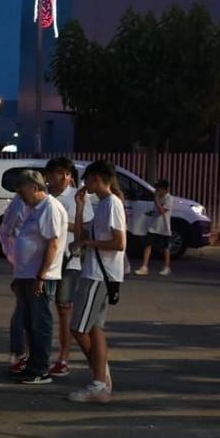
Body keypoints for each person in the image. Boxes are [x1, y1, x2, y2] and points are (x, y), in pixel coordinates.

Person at [68, 160, 126, 405]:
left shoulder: (112, 204)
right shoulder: (102, 204)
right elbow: (82, 234)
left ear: (97, 179)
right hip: (95, 273)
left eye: (87, 180)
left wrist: (87, 244)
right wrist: (80, 207)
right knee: (93, 328)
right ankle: (100, 377)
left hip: (99, 276)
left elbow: (119, 243)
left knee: (78, 328)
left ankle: (99, 380)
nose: (84, 184)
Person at [7, 168, 68, 385]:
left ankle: (40, 369)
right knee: (30, 322)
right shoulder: (34, 208)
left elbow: (52, 243)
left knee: (40, 322)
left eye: (22, 191)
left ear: (34, 187)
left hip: (40, 276)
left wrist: (41, 276)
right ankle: (33, 364)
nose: (20, 196)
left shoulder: (49, 208)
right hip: (27, 274)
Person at [45, 158, 82, 380]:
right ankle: (35, 355)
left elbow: (83, 230)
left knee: (63, 308)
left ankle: (64, 358)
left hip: (70, 261)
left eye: (60, 173)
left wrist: (59, 221)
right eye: (51, 173)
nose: (54, 178)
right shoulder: (45, 196)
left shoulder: (77, 198)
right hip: (47, 260)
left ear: (68, 175)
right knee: (39, 309)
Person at [131, 182, 173, 276]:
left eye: (159, 189)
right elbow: (156, 211)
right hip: (153, 227)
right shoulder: (158, 198)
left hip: (164, 228)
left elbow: (162, 211)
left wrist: (156, 200)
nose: (157, 191)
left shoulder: (169, 199)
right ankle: (144, 267)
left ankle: (167, 267)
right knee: (148, 244)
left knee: (165, 247)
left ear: (165, 189)